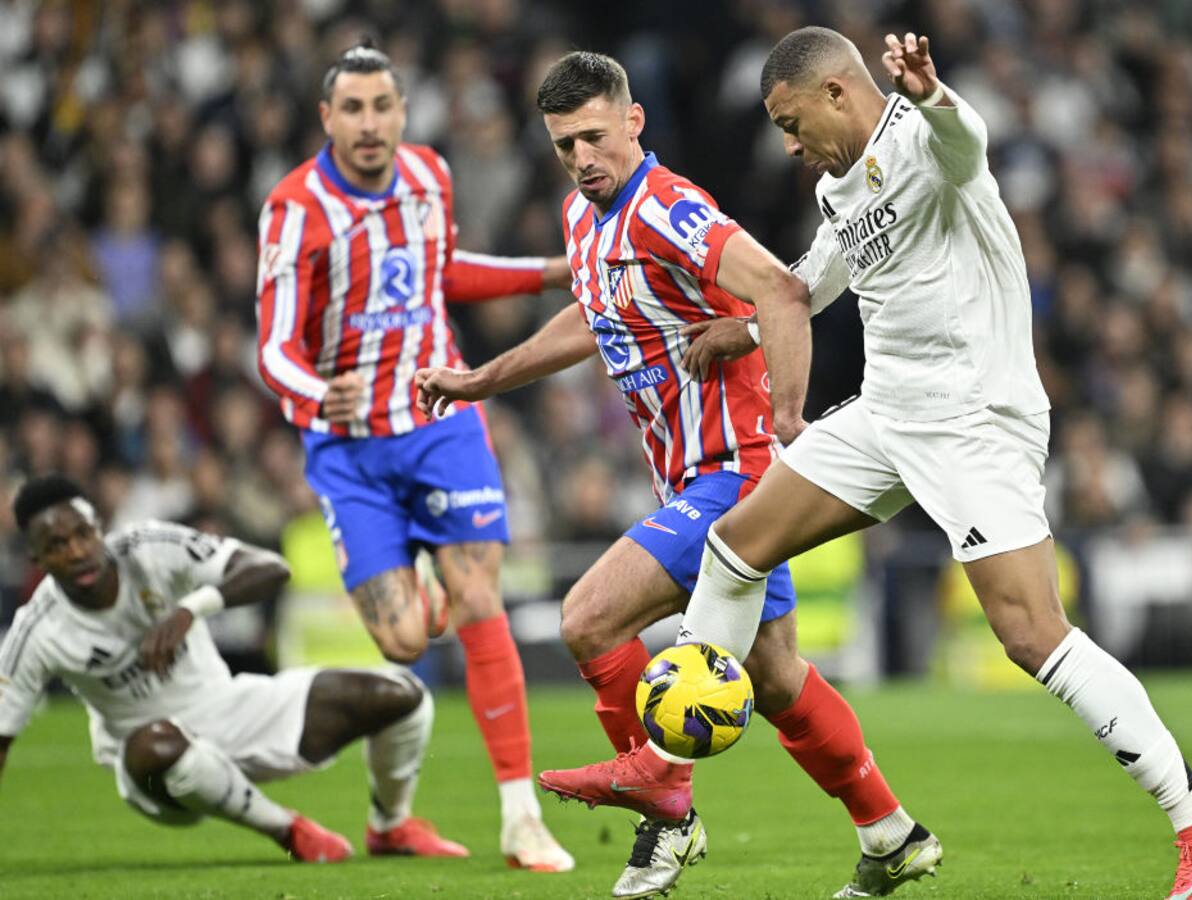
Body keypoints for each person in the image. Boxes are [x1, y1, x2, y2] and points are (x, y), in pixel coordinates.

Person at [551, 27, 1192, 900]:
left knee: (1030, 635)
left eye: (791, 123)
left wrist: (932, 95)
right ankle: (666, 773)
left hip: (973, 420)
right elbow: (816, 277)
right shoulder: (837, 186)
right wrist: (745, 327)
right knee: (735, 546)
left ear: (836, 93)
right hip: (887, 414)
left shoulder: (930, 143)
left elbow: (965, 141)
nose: (788, 145)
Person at [416, 51, 940, 899]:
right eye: (564, 145)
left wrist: (789, 422)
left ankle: (667, 814)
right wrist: (483, 378)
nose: (583, 158)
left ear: (634, 121)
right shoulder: (583, 217)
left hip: (735, 473)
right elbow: (592, 315)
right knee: (776, 679)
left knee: (589, 619)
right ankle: (891, 832)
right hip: (691, 477)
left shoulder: (667, 207)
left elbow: (780, 289)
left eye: (595, 136)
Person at [254, 41, 573, 872]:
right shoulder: (295, 208)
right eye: (352, 109)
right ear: (327, 118)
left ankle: (521, 818)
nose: (369, 124)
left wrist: (547, 273)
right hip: (349, 447)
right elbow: (274, 345)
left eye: (382, 107)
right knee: (401, 642)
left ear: (403, 112)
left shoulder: (430, 175)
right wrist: (318, 395)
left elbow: (440, 271)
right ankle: (391, 817)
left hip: (439, 417)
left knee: (480, 599)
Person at [0, 474, 467, 862]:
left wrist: (190, 609)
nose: (77, 551)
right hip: (151, 767)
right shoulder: (37, 630)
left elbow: (271, 568)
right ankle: (288, 831)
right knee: (155, 744)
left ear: (99, 529)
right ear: (36, 558)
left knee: (402, 695)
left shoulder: (150, 546)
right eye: (57, 545)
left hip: (231, 709)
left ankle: (390, 826)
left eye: (83, 534)